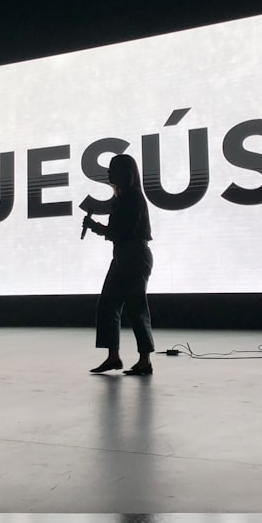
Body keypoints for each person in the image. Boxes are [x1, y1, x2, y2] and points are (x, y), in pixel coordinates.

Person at [82, 153, 155, 375]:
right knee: (109, 305)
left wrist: (95, 227)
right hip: (126, 257)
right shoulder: (125, 198)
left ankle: (143, 360)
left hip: (133, 257)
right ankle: (115, 357)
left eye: (112, 168)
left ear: (125, 173)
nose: (108, 172)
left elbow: (122, 232)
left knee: (134, 308)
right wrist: (98, 227)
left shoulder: (130, 199)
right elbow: (120, 232)